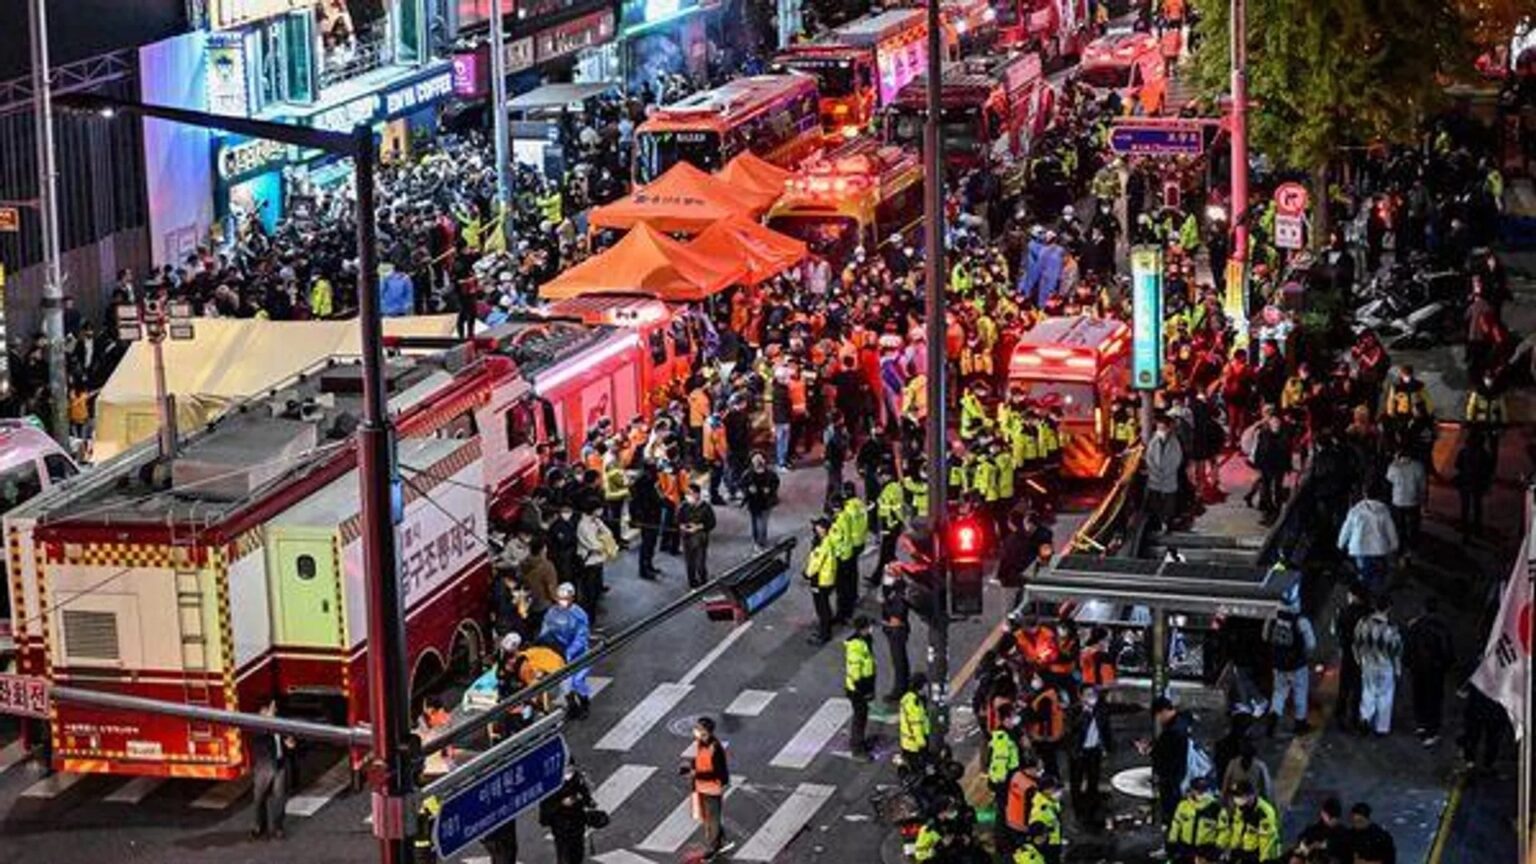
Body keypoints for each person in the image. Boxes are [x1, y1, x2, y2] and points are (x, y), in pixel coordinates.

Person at [1403, 597, 1455, 745]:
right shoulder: (1443, 628)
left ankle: (1421, 723)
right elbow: (1448, 652)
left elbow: (1408, 647)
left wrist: (1408, 663)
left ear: (1423, 609)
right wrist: (1445, 666)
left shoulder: (1415, 626)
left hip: (1418, 668)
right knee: (1434, 700)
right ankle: (1432, 731)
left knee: (1419, 696)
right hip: (1435, 671)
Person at [540, 583, 593, 720]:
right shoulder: (552, 613)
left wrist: (569, 652)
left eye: (566, 599)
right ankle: (572, 707)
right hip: (560, 653)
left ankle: (585, 705)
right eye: (560, 598)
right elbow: (546, 630)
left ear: (572, 598)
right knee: (565, 683)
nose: (563, 601)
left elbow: (581, 637)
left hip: (579, 655)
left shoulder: (579, 615)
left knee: (578, 682)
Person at [1265, 597, 1316, 736]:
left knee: (1279, 692)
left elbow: (1265, 636)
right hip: (1297, 665)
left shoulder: (1273, 617)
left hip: (1278, 663)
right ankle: (1300, 724)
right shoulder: (1301, 621)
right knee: (1300, 693)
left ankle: (1273, 719)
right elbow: (1311, 644)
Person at [1353, 595, 1403, 736]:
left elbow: (1356, 643)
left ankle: (1365, 719)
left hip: (1368, 663)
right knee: (1385, 696)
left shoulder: (1363, 623)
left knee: (1367, 692)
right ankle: (1381, 727)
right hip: (1385, 666)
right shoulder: (1392, 629)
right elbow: (1396, 652)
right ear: (1388, 608)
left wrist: (1359, 660)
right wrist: (1397, 670)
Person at [682, 716, 731, 859]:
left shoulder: (715, 748)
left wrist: (696, 774)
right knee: (708, 817)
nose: (695, 730)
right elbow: (698, 761)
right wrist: (689, 767)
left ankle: (712, 848)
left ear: (706, 731)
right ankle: (720, 840)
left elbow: (717, 773)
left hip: (712, 788)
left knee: (712, 819)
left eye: (699, 728)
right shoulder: (700, 743)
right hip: (701, 786)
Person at [1066, 684, 1112, 831]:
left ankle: (1092, 809)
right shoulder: (1074, 711)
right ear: (1080, 696)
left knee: (1093, 780)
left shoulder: (1100, 710)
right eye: (1087, 694)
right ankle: (1078, 812)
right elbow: (1071, 729)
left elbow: (1105, 728)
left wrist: (1108, 747)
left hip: (1094, 751)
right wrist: (1085, 714)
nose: (1091, 697)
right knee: (1076, 783)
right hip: (1078, 752)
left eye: (1093, 694)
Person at [250, 700, 295, 840]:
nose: (274, 711)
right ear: (262, 711)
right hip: (264, 767)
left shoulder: (279, 724)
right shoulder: (258, 725)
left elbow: (287, 740)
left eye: (274, 708)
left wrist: (290, 744)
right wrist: (268, 722)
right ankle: (259, 826)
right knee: (259, 798)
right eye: (272, 708)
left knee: (280, 798)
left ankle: (278, 827)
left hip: (280, 765)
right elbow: (261, 736)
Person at [1338, 491, 1398, 596]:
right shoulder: (1383, 510)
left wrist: (1340, 543)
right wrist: (1394, 545)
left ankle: (1364, 593)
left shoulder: (1356, 510)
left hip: (1359, 549)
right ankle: (1376, 593)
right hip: (1379, 548)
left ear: (1365, 494)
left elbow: (1346, 528)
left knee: (1363, 572)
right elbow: (1390, 529)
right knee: (1378, 574)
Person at [1146, 696, 1193, 825]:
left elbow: (1164, 755)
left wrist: (1150, 751)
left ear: (1163, 712)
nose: (1159, 720)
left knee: (1172, 810)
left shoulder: (1172, 731)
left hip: (1172, 777)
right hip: (1180, 774)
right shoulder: (1183, 721)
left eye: (1158, 716)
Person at [1334, 582, 1371, 731]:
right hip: (1363, 654)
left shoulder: (1343, 611)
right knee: (1359, 686)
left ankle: (1340, 715)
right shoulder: (1369, 613)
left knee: (1344, 685)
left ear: (1354, 596)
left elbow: (1336, 631)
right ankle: (1355, 717)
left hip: (1347, 652)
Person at [538, 766, 595, 864]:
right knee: (566, 855)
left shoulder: (578, 779)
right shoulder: (553, 783)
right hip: (562, 825)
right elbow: (546, 805)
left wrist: (586, 800)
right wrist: (561, 804)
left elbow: (586, 797)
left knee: (576, 853)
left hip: (576, 822)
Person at [1218, 780, 1281, 863]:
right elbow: (1236, 829)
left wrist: (1264, 860)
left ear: (1251, 795)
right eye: (1236, 796)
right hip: (1239, 851)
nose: (1237, 799)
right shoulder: (1240, 808)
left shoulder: (1263, 812)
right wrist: (1226, 849)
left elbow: (1266, 841)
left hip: (1254, 854)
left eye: (1240, 795)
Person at [1167, 777, 1222, 864]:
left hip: (1206, 852)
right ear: (1192, 789)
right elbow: (1176, 824)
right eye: (1197, 789)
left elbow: (1222, 830)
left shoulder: (1216, 808)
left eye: (1203, 789)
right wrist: (1172, 843)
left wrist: (1217, 849)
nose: (1200, 792)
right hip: (1186, 849)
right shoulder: (1183, 805)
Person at [1384, 449, 1427, 558]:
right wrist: (1423, 501)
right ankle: (1412, 548)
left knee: (1399, 526)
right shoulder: (1418, 466)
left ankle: (1400, 548)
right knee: (1413, 526)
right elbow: (1423, 486)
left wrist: (1394, 462)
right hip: (1413, 500)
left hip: (1398, 500)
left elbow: (1389, 479)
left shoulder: (1394, 466)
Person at [1454, 431, 1495, 541]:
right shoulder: (1484, 454)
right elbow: (1489, 470)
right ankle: (1477, 530)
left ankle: (1465, 530)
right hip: (1478, 483)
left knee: (1465, 507)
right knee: (1477, 506)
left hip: (1465, 482)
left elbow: (1457, 465)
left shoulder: (1464, 452)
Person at [845, 615, 877, 758]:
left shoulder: (864, 641)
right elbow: (855, 671)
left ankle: (859, 742)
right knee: (860, 716)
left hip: (863, 685)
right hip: (857, 689)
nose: (871, 629)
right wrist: (862, 689)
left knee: (862, 715)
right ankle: (857, 748)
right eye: (869, 626)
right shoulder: (856, 646)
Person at [1145, 413, 1184, 530]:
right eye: (1158, 428)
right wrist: (1154, 470)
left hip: (1169, 477)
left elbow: (1177, 459)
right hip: (1155, 477)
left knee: (1169, 501)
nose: (1160, 430)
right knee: (1155, 501)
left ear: (1168, 428)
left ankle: (1167, 521)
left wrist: (1167, 472)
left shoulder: (1174, 442)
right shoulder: (1154, 441)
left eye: (1162, 428)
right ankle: (1158, 521)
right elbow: (1149, 457)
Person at [880, 564, 911, 700]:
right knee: (899, 660)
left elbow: (897, 613)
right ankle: (903, 685)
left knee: (899, 661)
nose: (886, 576)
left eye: (889, 573)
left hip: (897, 629)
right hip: (893, 628)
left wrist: (885, 604)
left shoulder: (899, 591)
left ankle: (900, 689)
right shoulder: (892, 589)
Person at [805, 516, 838, 644]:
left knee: (821, 607)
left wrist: (807, 574)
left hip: (820, 580)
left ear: (823, 529)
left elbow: (816, 563)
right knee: (825, 605)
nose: (814, 528)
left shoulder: (822, 545)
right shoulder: (828, 540)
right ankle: (825, 627)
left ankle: (824, 634)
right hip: (828, 578)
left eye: (817, 526)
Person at [678, 483, 717, 588]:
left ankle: (703, 582)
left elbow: (712, 523)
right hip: (687, 538)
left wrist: (699, 527)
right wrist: (683, 526)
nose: (688, 496)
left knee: (700, 563)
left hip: (700, 539)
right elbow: (678, 520)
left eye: (690, 493)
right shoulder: (683, 506)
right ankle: (692, 583)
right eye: (687, 493)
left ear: (697, 494)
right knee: (689, 563)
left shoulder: (706, 507)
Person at [630, 464, 664, 581]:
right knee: (647, 545)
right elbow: (640, 505)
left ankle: (649, 565)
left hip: (652, 518)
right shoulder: (643, 487)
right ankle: (644, 570)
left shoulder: (647, 485)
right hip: (648, 519)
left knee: (651, 544)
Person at [1291, 797, 1349, 864]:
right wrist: (1304, 847)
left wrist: (1323, 845)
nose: (1332, 821)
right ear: (1322, 813)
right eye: (1329, 817)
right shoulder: (1313, 829)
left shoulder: (1343, 833)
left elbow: (1342, 849)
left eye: (1334, 819)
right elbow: (1301, 841)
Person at [742, 451, 780, 550]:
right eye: (755, 459)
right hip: (753, 502)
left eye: (760, 458)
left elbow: (776, 483)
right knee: (755, 522)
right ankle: (757, 540)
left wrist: (770, 490)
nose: (758, 461)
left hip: (766, 502)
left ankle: (761, 542)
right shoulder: (748, 474)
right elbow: (742, 485)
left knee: (762, 523)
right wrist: (748, 490)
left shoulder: (770, 474)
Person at [899, 673, 933, 769]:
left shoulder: (907, 697)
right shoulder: (915, 704)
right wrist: (921, 743)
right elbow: (916, 725)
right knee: (918, 768)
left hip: (907, 742)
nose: (926, 689)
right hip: (914, 744)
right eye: (925, 686)